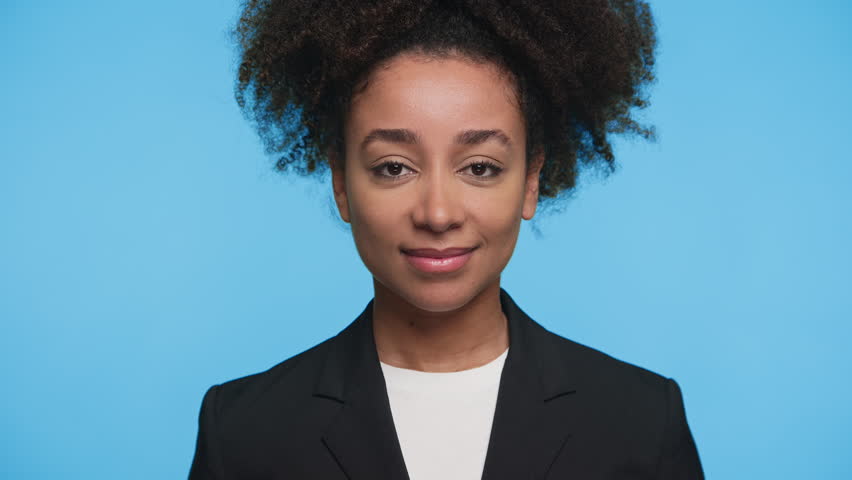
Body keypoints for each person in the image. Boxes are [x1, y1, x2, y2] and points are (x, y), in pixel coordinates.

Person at [189, 1, 704, 478]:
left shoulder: (641, 424)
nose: (438, 213)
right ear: (341, 183)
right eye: (394, 167)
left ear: (531, 183)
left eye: (480, 167)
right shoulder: (242, 434)